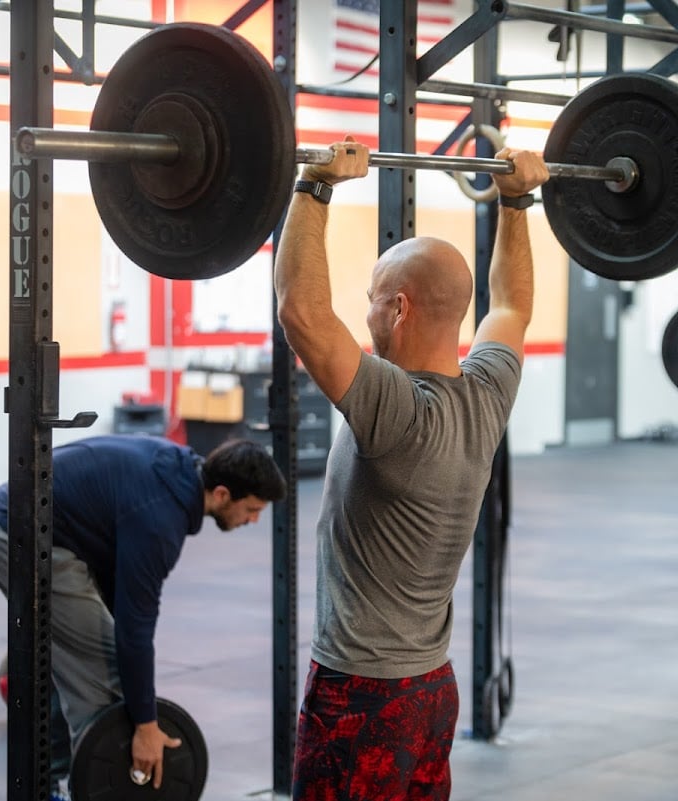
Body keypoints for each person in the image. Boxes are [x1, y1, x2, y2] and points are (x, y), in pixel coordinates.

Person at [275, 136, 550, 800]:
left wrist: (313, 186)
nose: (364, 311)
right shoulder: (486, 394)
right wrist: (518, 201)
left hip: (362, 695)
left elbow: (303, 314)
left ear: (396, 308)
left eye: (372, 296)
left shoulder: (395, 410)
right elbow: (511, 306)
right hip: (430, 691)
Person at [0, 434, 286, 798]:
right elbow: (134, 632)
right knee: (104, 674)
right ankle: (63, 789)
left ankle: (44, 786)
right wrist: (145, 725)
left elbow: (114, 576)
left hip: (33, 527)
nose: (252, 520)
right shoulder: (159, 521)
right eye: (252, 509)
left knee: (81, 654)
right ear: (221, 494)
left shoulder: (176, 469)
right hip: (19, 532)